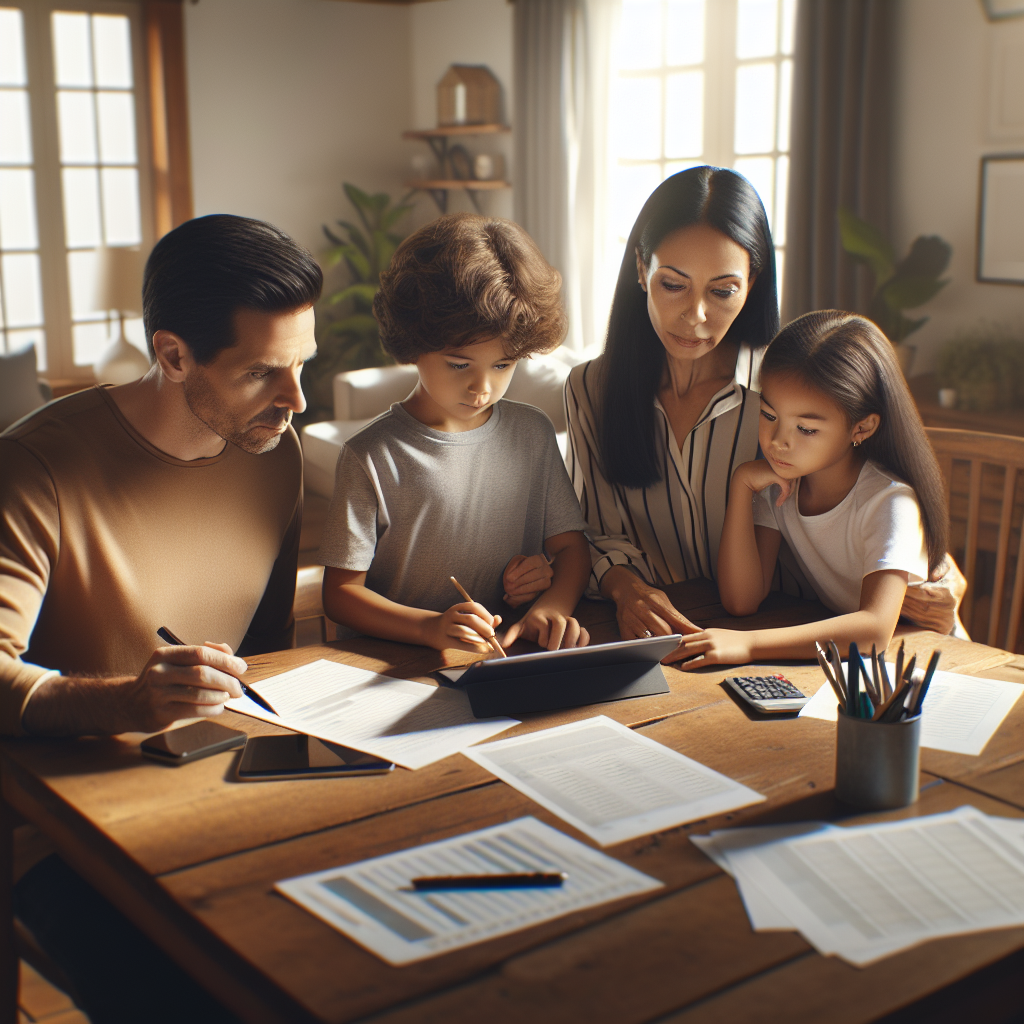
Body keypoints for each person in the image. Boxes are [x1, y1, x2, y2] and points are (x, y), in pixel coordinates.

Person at [2, 213, 321, 1022]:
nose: (296, 400)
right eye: (263, 373)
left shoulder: (274, 454)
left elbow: (269, 657)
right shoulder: (35, 468)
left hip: (225, 780)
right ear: (173, 354)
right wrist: (125, 702)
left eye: (302, 367)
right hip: (59, 821)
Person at [564, 166, 965, 659]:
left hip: (806, 638)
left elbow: (883, 485)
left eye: (722, 290)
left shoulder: (790, 390)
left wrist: (939, 569)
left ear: (752, 283)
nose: (696, 316)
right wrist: (626, 588)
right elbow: (594, 530)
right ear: (641, 268)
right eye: (673, 284)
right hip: (677, 636)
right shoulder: (591, 389)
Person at [320, 213, 592, 653]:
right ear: (413, 343)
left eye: (503, 365)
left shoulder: (532, 434)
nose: (482, 388)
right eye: (459, 364)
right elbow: (340, 596)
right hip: (396, 663)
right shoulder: (370, 455)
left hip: (506, 654)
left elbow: (572, 551)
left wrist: (552, 600)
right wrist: (429, 628)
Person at [679, 311, 946, 664]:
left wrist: (750, 645)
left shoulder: (889, 500)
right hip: (849, 662)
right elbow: (741, 600)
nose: (777, 442)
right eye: (769, 415)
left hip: (926, 661)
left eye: (805, 429)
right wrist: (741, 484)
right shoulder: (780, 483)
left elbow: (875, 631)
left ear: (861, 428)